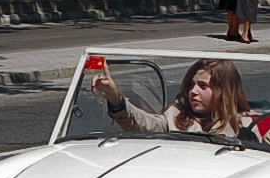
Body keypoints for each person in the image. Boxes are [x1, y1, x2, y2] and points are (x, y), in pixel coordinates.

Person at [92, 58, 258, 138]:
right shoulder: (175, 117)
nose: (193, 91)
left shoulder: (245, 126)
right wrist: (115, 99)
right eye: (191, 85)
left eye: (203, 86)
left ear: (224, 92)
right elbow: (141, 123)